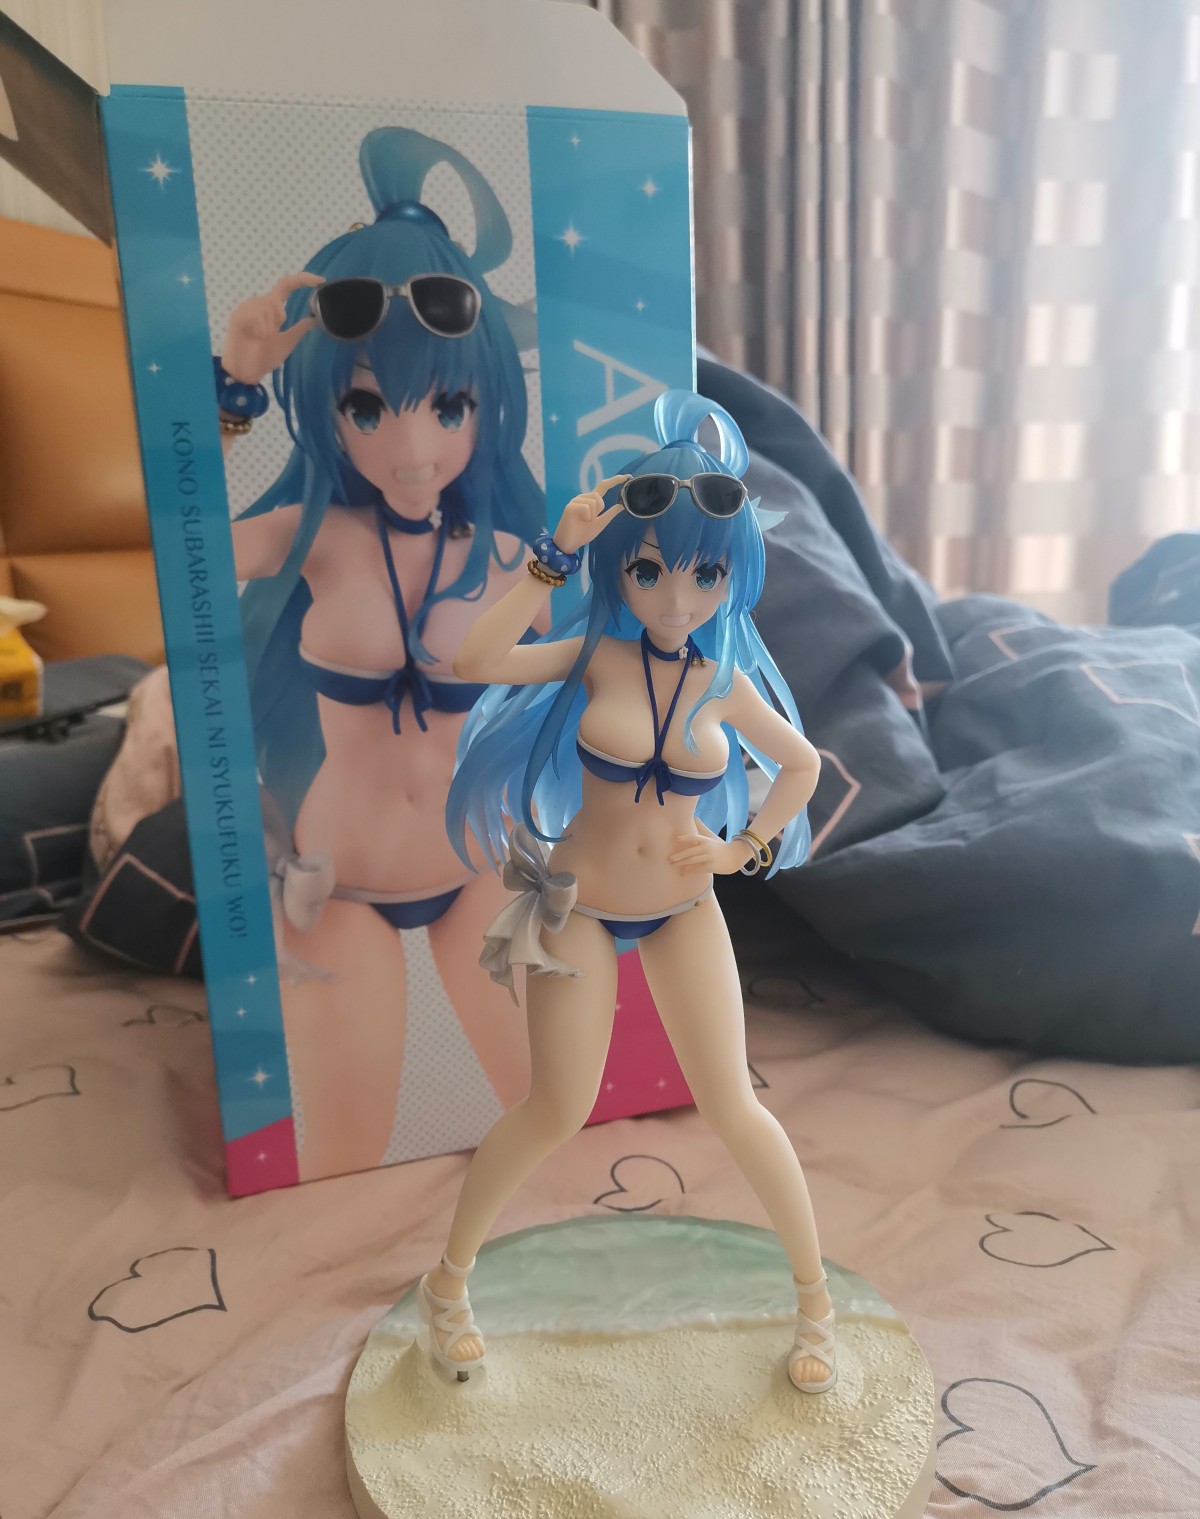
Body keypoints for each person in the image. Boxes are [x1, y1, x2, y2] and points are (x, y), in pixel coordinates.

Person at [418, 391, 836, 1393]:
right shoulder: (594, 657)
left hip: (686, 905)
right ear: (621, 571)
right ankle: (446, 1286)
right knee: (555, 1109)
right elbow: (474, 661)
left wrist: (743, 851)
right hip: (581, 906)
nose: (678, 598)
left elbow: (803, 765)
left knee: (734, 1104)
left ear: (733, 574)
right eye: (651, 570)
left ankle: (816, 1304)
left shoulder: (725, 681)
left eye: (706, 573)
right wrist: (552, 557)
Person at [217, 127, 546, 1180]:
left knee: (560, 1125)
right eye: (366, 405)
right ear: (329, 411)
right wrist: (232, 387)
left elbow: (613, 663)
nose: (411, 448)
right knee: (341, 1164)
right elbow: (183, 558)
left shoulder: (516, 558)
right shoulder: (315, 536)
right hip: (338, 884)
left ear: (485, 405)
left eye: (447, 406)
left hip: (481, 865)